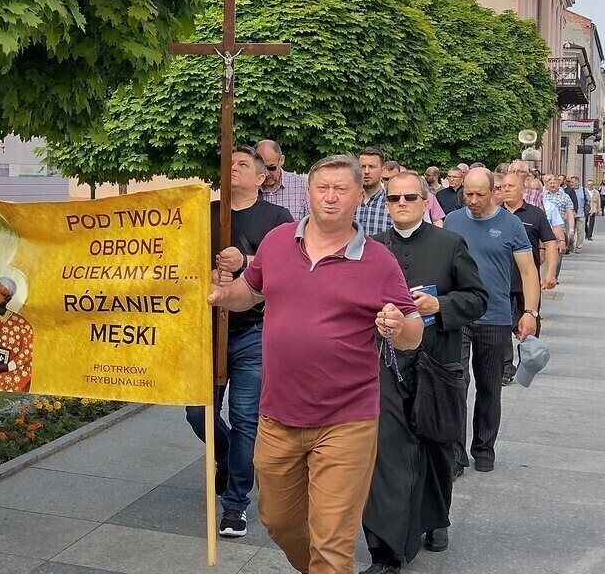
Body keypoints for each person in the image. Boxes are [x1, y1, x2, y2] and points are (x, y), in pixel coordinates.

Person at [209, 154, 424, 574]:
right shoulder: (276, 242)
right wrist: (223, 296)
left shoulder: (379, 261)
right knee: (278, 521)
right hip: (278, 416)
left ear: (359, 196)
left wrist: (397, 325)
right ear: (307, 193)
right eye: (321, 188)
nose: (330, 197)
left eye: (341, 189)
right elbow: (248, 293)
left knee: (331, 541)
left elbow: (413, 332)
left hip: (346, 420)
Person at [361, 173, 487, 574]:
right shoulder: (371, 247)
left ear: (424, 200)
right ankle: (389, 550)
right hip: (385, 366)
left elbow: (477, 298)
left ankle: (435, 519)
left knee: (435, 447)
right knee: (389, 457)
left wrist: (440, 306)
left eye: (409, 197)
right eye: (393, 197)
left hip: (437, 362)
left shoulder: (449, 243)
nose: (400, 203)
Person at [186, 146, 292, 538]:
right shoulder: (205, 214)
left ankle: (235, 505)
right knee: (199, 414)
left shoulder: (279, 220)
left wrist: (245, 263)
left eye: (243, 164)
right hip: (206, 332)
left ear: (262, 176)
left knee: (246, 418)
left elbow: (287, 269)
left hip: (252, 333)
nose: (233, 169)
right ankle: (227, 458)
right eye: (228, 163)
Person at [443, 168, 539, 476]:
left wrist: (530, 312)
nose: (472, 200)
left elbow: (527, 272)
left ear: (493, 191)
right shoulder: (453, 221)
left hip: (495, 316)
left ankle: (484, 448)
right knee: (456, 385)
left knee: (488, 387)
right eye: (467, 194)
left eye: (479, 194)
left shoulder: (510, 225)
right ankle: (456, 455)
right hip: (458, 316)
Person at [501, 173, 557, 385]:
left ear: (522, 189)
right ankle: (505, 367)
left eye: (510, 186)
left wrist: (550, 272)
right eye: (503, 186)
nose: (505, 190)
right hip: (502, 282)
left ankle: (527, 360)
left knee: (531, 323)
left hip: (527, 281)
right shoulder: (496, 214)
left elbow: (550, 242)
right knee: (502, 325)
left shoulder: (535, 214)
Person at [255, 139, 310, 220]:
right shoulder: (249, 186)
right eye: (261, 168)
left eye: (271, 167)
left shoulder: (302, 185)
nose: (266, 174)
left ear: (281, 160)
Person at [355, 146, 392, 235]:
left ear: (382, 170)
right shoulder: (348, 201)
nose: (366, 171)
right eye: (363, 167)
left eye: (372, 167)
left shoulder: (392, 202)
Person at [566, 176, 589, 253]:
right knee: (571, 231)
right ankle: (570, 243)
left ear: (577, 182)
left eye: (573, 182)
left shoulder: (583, 190)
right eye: (570, 182)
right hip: (571, 215)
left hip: (581, 214)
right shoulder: (568, 190)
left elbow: (588, 200)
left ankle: (579, 247)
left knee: (580, 232)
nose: (571, 184)